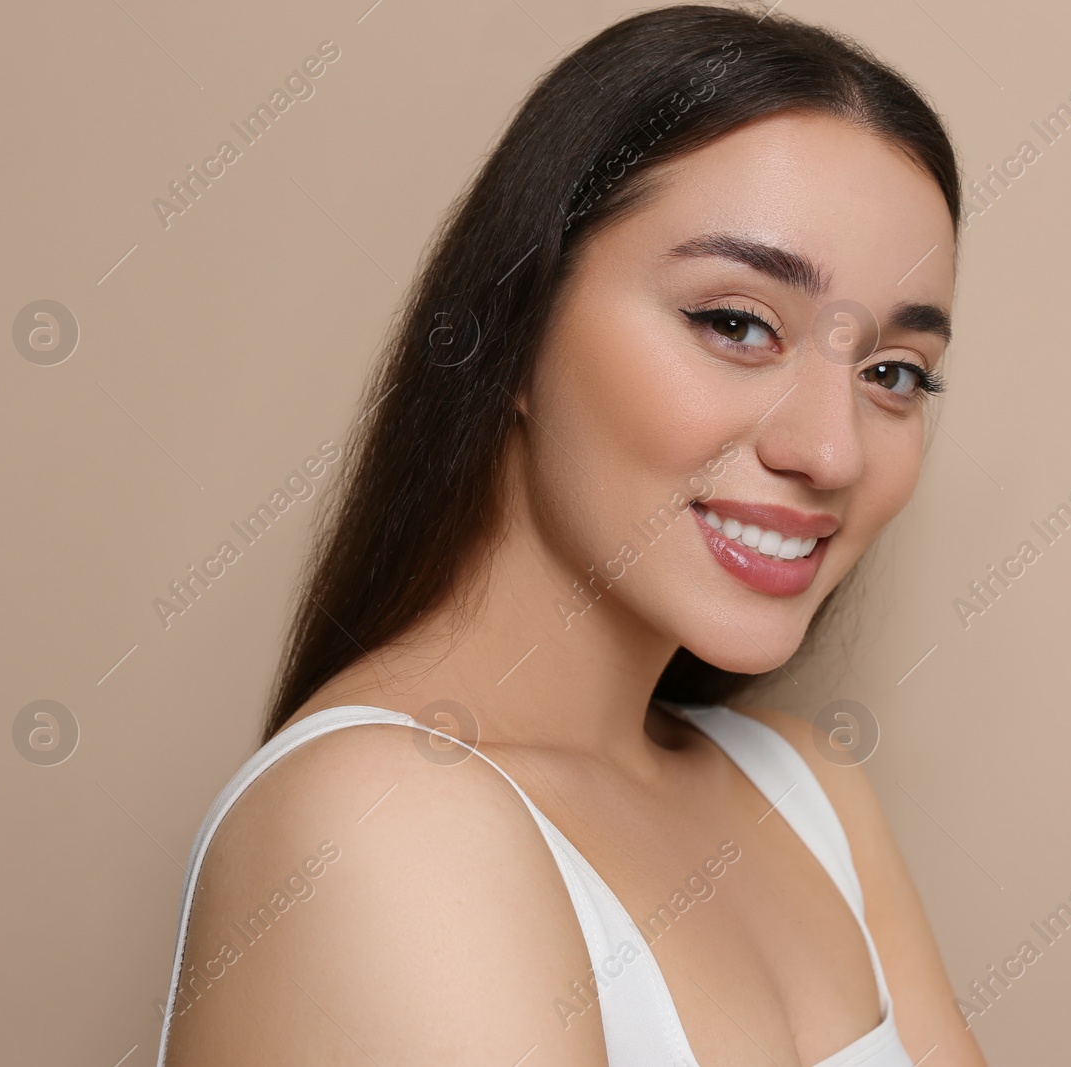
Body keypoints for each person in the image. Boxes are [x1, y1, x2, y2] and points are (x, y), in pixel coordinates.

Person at [157, 4, 986, 1064]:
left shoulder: (811, 791)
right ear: (512, 335)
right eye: (735, 322)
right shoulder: (381, 824)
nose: (832, 450)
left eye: (893, 373)